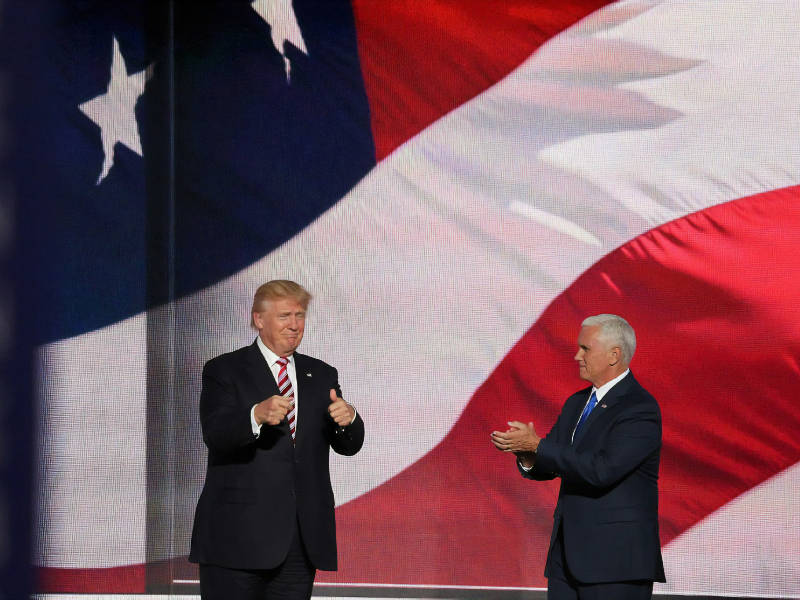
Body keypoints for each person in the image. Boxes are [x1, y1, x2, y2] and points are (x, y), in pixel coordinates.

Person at [189, 280, 365, 600]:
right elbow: (216, 435)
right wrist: (255, 415)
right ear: (259, 319)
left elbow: (348, 446)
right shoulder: (224, 370)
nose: (294, 325)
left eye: (300, 315)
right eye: (285, 316)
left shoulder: (321, 374)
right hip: (236, 538)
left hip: (300, 540)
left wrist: (349, 419)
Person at [491, 314, 665, 600]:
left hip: (615, 564)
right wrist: (528, 454)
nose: (576, 355)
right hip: (566, 559)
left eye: (586, 348)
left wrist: (539, 446)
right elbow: (554, 461)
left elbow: (602, 470)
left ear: (614, 355)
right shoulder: (577, 402)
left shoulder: (639, 409)